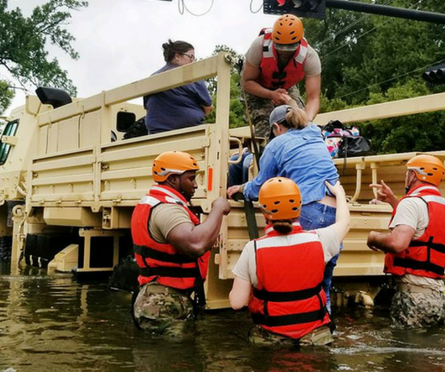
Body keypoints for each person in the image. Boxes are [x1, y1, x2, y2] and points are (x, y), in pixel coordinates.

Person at [226, 104, 341, 312]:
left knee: (295, 280)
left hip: (308, 208)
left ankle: (288, 329)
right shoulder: (316, 134)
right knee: (322, 284)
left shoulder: (277, 143)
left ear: (277, 127)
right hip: (335, 210)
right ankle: (323, 327)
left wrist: (241, 188)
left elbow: (262, 185)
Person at [229, 177, 350, 346]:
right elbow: (344, 223)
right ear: (299, 209)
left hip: (273, 340)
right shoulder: (320, 240)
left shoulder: (253, 249)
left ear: (264, 212)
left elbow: (237, 303)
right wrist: (339, 194)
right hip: (315, 338)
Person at [131, 150, 231, 336]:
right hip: (163, 301)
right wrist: (218, 208)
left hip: (160, 296)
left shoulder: (156, 202)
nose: (195, 185)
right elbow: (196, 245)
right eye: (191, 179)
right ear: (173, 180)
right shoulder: (167, 209)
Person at [366, 155, 445, 328]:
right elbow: (422, 229)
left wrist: (373, 237)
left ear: (414, 175)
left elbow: (398, 243)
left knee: (407, 352)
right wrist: (394, 201)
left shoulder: (412, 203)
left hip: (413, 297)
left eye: (408, 173)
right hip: (437, 297)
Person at [241, 14, 322, 139]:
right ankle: (265, 153)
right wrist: (270, 94)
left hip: (286, 87)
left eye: (289, 48)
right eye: (280, 48)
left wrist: (307, 122)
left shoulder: (310, 57)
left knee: (297, 120)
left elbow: (313, 98)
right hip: (256, 86)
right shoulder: (259, 46)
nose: (284, 52)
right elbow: (247, 83)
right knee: (266, 124)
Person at [144, 40, 213, 135]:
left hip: (155, 135)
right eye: (191, 57)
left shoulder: (152, 79)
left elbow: (147, 106)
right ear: (177, 56)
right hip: (189, 134)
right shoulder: (192, 76)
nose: (193, 61)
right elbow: (208, 108)